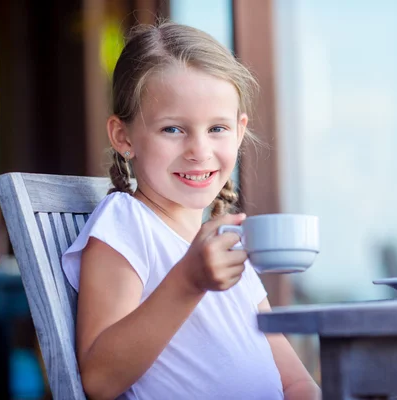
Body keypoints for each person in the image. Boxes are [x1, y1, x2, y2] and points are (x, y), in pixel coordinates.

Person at [61, 22, 320, 400]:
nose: (199, 150)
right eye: (172, 130)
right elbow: (99, 380)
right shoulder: (125, 224)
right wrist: (189, 281)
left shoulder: (227, 245)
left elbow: (295, 381)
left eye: (217, 128)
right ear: (123, 137)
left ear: (239, 130)